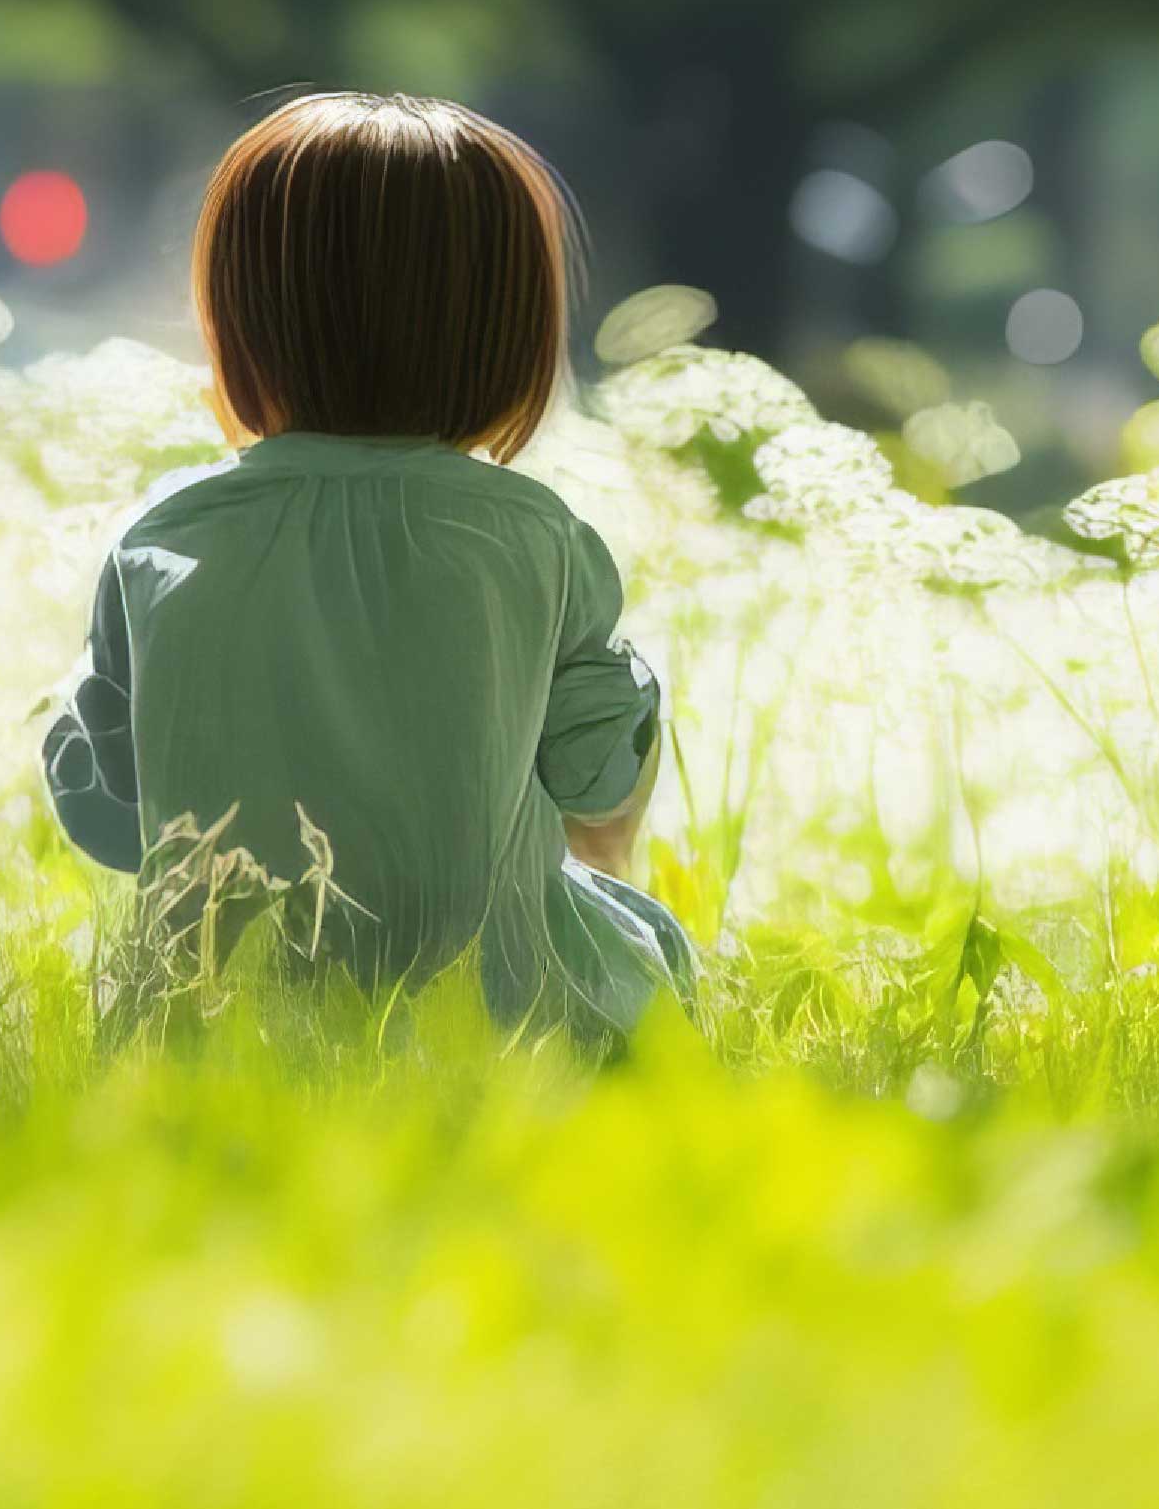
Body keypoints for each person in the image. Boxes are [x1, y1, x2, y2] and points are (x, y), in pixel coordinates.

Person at [38, 91, 692, 1044]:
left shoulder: (163, 539)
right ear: (506, 334)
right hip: (500, 1013)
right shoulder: (535, 536)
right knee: (645, 943)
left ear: (238, 321)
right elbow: (598, 780)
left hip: (211, 1027)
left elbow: (107, 820)